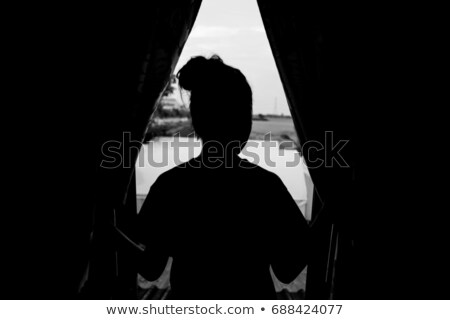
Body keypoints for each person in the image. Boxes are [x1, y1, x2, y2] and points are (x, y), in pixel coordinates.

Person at [122, 55, 310, 299]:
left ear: (197, 120)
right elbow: (285, 272)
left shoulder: (171, 184)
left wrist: (108, 231)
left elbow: (150, 267)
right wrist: (325, 219)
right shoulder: (265, 185)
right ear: (244, 123)